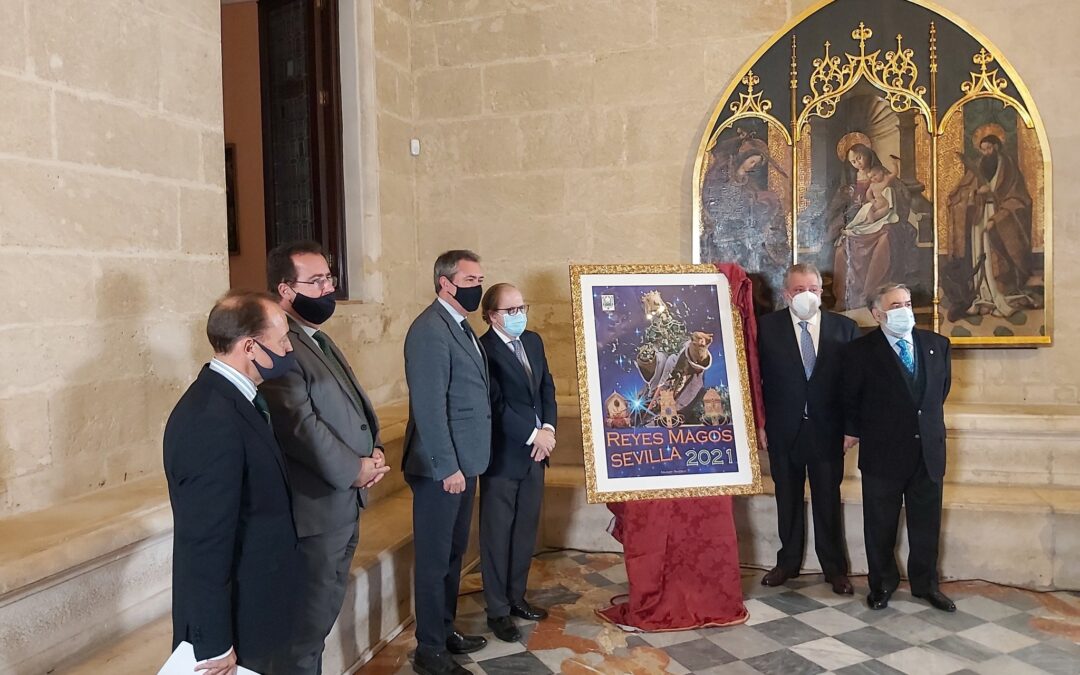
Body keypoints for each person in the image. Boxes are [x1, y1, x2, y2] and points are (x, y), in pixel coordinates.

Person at [259, 241, 391, 675]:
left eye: (329, 279)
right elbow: (299, 425)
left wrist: (374, 449)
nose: (327, 289)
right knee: (303, 633)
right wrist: (354, 469)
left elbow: (351, 406)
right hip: (315, 509)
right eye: (315, 281)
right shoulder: (281, 346)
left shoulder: (317, 338)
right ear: (285, 290)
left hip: (341, 504)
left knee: (318, 626)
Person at [163, 291, 300, 674]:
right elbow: (205, 542)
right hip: (236, 629)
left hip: (260, 606)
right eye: (283, 339)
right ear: (251, 347)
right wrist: (214, 643)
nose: (290, 347)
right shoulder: (210, 418)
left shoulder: (238, 399)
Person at [403, 250, 492, 675]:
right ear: (445, 283)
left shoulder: (461, 325)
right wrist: (447, 467)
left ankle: (445, 628)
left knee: (455, 552)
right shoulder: (429, 331)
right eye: (470, 280)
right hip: (442, 467)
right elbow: (429, 408)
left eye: (479, 279)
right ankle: (429, 648)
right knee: (435, 557)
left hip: (465, 461)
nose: (478, 287)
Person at [842, 283, 954, 612]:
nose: (905, 311)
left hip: (928, 454)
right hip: (883, 454)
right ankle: (882, 585)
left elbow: (938, 393)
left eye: (907, 303)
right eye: (895, 306)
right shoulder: (859, 353)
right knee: (880, 526)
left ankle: (925, 585)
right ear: (878, 314)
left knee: (926, 526)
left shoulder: (938, 345)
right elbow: (852, 400)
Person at [757, 263, 859, 595]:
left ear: (821, 292)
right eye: (799, 290)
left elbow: (856, 386)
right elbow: (754, 382)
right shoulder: (765, 329)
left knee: (827, 500)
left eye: (812, 290)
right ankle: (787, 563)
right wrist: (759, 425)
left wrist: (852, 428)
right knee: (786, 499)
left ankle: (834, 568)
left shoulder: (845, 329)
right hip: (782, 429)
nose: (806, 296)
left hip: (829, 431)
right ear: (786, 294)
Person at [477, 283, 557, 643]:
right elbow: (495, 405)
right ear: (492, 315)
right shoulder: (483, 349)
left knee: (525, 530)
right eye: (511, 310)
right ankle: (497, 610)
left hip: (538, 454)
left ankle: (516, 597)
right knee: (497, 534)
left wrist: (549, 431)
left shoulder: (534, 341)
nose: (520, 315)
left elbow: (547, 389)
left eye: (523, 307)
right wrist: (532, 435)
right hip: (504, 455)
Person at [945, 133, 1035, 318]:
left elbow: (1019, 197)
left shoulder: (1008, 168)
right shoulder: (978, 166)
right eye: (983, 149)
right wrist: (978, 191)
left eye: (989, 148)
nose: (986, 152)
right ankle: (982, 294)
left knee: (996, 252)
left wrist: (997, 217)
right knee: (980, 252)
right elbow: (961, 191)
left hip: (1000, 218)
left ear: (997, 147)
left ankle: (999, 295)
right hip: (979, 215)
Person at [827, 142, 916, 312]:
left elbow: (901, 198)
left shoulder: (884, 176)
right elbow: (840, 208)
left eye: (859, 157)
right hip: (861, 224)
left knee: (885, 239)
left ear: (869, 155)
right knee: (841, 249)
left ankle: (872, 295)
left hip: (885, 222)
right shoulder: (849, 185)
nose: (857, 162)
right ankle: (844, 297)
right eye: (853, 161)